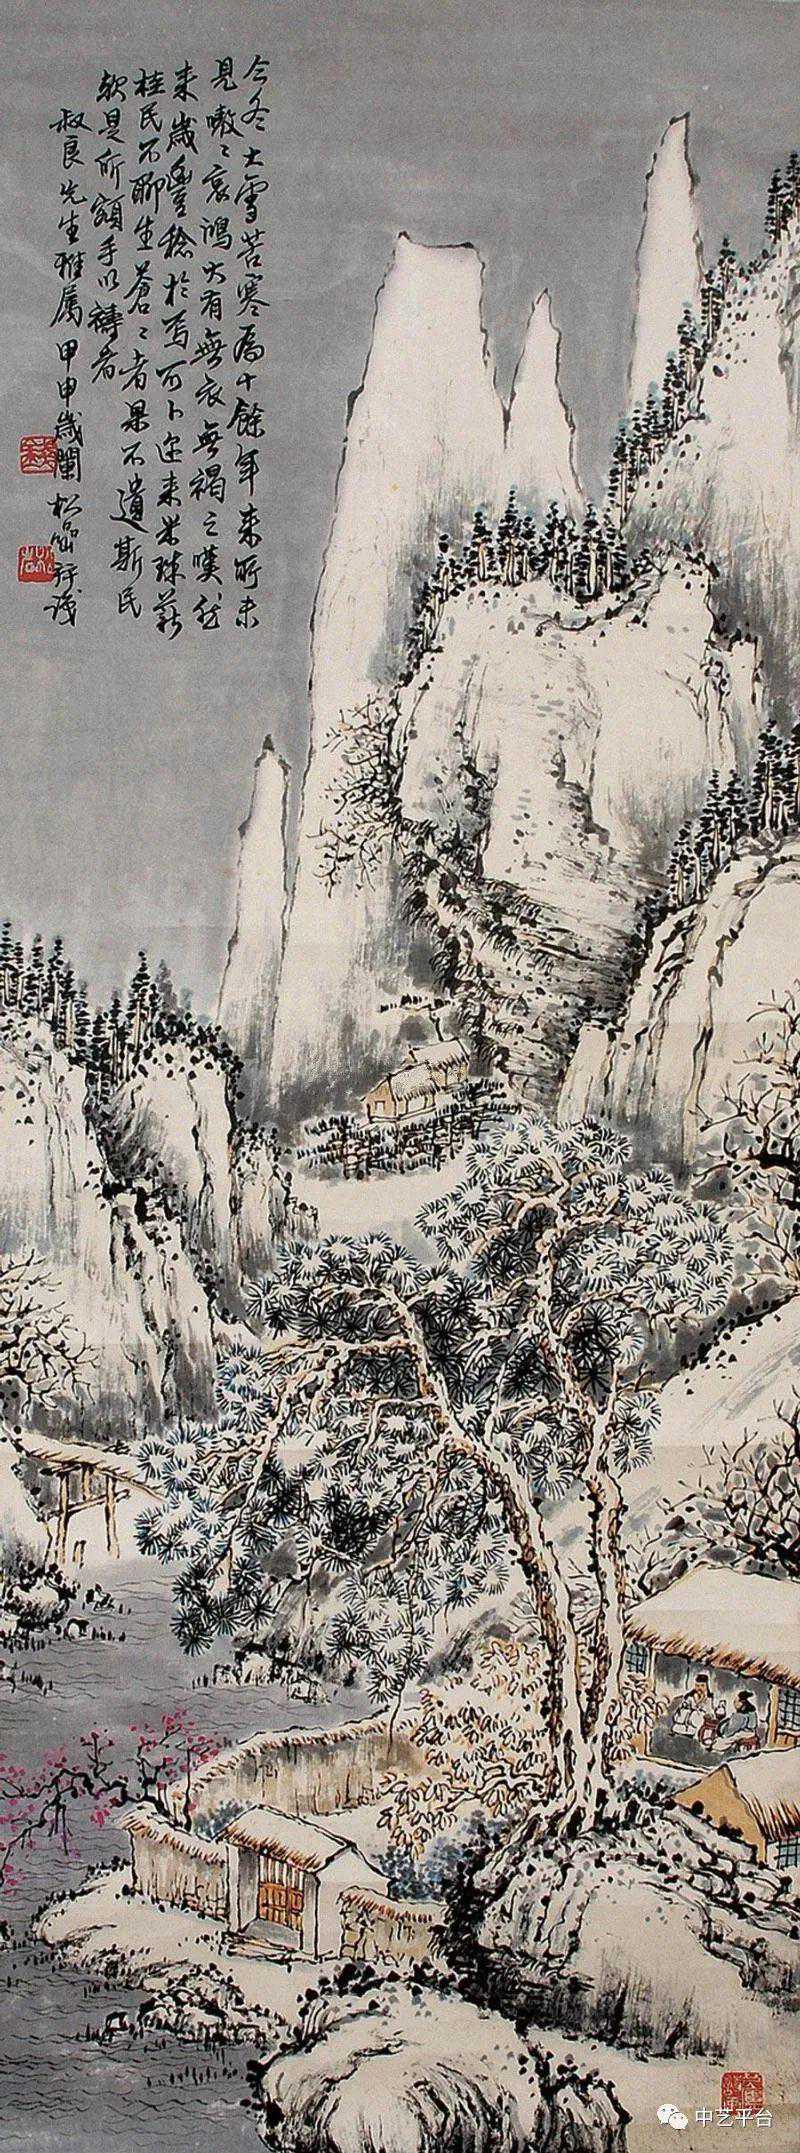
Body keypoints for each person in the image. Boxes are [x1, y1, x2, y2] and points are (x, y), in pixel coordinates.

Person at [670, 1673, 721, 1748]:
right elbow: (684, 1706)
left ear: (706, 1686)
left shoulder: (709, 1698)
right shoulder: (690, 1696)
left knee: (698, 1719)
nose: (699, 1688)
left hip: (698, 1720)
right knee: (682, 1717)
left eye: (702, 1686)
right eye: (697, 1686)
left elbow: (710, 1711)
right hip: (686, 1719)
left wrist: (702, 1702)